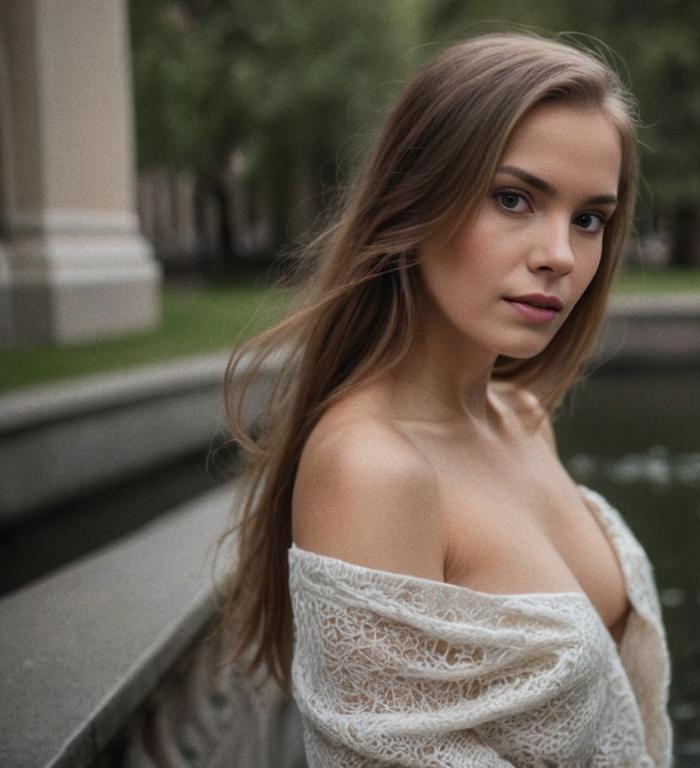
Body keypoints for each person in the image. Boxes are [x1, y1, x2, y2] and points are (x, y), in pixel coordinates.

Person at [219, 32, 672, 767]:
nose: (560, 253)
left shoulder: (523, 419)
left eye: (589, 218)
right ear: (415, 199)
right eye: (514, 198)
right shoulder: (372, 472)